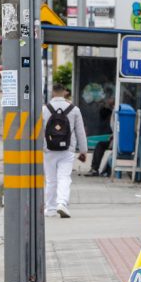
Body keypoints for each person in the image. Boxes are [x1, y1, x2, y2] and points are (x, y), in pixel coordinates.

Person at [42, 84, 88, 218]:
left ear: (53, 93)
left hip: (48, 149)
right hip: (67, 149)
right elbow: (80, 131)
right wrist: (83, 151)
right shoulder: (74, 110)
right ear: (65, 93)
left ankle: (50, 208)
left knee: (50, 180)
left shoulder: (44, 109)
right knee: (64, 177)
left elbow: (39, 131)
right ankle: (62, 203)